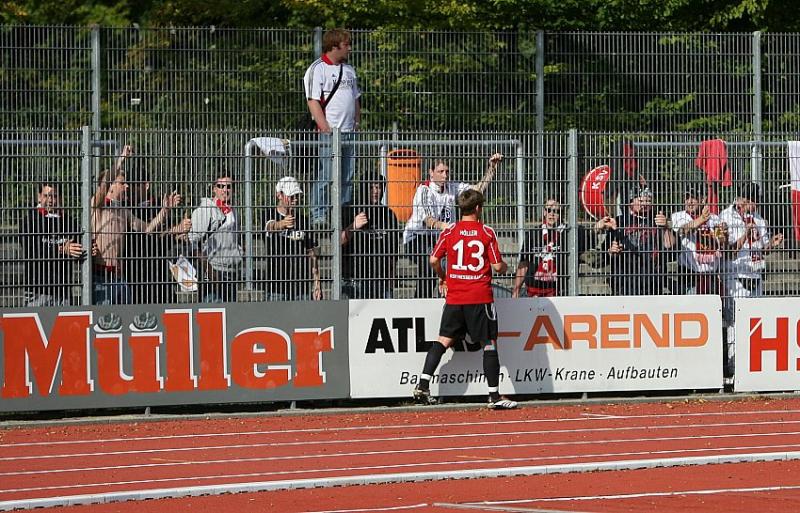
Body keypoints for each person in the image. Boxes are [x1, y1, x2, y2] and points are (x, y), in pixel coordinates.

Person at [412, 189, 517, 410]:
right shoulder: (486, 232)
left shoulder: (450, 231)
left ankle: (422, 385)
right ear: (478, 208)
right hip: (480, 297)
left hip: (455, 298)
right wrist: (505, 267)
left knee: (443, 340)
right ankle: (493, 395)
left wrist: (443, 277)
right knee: (489, 343)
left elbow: (433, 260)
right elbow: (497, 266)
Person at [403, 153, 503, 298]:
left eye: (447, 171)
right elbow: (428, 220)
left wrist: (491, 169)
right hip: (416, 238)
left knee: (455, 263)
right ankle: (423, 300)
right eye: (440, 171)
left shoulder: (451, 187)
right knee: (431, 265)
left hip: (439, 238)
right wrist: (448, 227)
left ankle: (451, 296)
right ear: (431, 172)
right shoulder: (424, 190)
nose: (445, 176)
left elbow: (477, 190)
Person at [92, 145, 181, 304]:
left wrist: (164, 210)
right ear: (110, 186)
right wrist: (121, 159)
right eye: (122, 183)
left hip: (119, 278)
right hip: (101, 278)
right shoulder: (97, 206)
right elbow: (104, 184)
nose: (127, 186)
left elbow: (147, 229)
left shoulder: (123, 211)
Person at [719, 182, 784, 378]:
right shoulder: (726, 217)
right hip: (735, 276)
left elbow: (761, 250)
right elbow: (727, 252)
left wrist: (771, 245)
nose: (755, 205)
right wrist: (745, 234)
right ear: (743, 199)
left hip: (756, 276)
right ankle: (734, 368)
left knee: (756, 322)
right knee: (735, 323)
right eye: (752, 201)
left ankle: (753, 367)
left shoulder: (759, 219)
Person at [304, 28, 361, 227]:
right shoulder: (317, 69)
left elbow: (355, 98)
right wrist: (325, 128)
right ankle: (318, 215)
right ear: (335, 46)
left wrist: (357, 122)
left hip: (349, 132)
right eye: (346, 45)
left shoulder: (349, 69)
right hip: (330, 133)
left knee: (347, 176)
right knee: (327, 175)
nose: (349, 48)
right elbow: (313, 101)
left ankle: (342, 213)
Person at [512, 198, 616, 297]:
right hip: (533, 292)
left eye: (556, 211)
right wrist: (516, 291)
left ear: (561, 214)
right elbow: (524, 263)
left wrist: (598, 226)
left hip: (560, 292)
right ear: (544, 212)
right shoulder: (533, 234)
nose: (552, 214)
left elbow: (588, 236)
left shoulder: (570, 233)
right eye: (549, 210)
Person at [126, 167, 192, 304]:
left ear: (146, 185)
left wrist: (181, 231)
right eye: (129, 184)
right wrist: (176, 229)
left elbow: (167, 235)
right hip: (133, 269)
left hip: (157, 268)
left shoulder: (158, 204)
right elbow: (147, 232)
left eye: (135, 184)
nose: (131, 189)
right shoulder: (125, 208)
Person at [21, 182, 92, 306]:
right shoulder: (29, 221)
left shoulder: (69, 222)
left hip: (63, 291)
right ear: (39, 197)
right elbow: (32, 251)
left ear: (60, 198)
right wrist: (61, 249)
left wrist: (89, 249)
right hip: (37, 290)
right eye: (46, 196)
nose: (50, 200)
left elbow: (79, 249)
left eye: (54, 196)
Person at [603, 185, 676, 296]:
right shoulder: (618, 221)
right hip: (624, 282)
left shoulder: (658, 220)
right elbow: (605, 250)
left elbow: (670, 246)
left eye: (648, 201)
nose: (645, 204)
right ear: (631, 202)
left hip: (652, 282)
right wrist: (611, 250)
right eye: (641, 200)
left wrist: (666, 227)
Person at [341, 172, 401, 299]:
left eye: (378, 187)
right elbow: (337, 243)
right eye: (371, 187)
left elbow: (393, 254)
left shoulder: (388, 215)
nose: (375, 191)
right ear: (363, 188)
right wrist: (353, 226)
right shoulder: (348, 209)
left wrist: (391, 283)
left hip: (381, 281)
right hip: (353, 280)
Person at [261, 176, 322, 301]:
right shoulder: (268, 214)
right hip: (276, 287)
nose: (295, 199)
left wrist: (317, 283)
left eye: (297, 196)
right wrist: (282, 224)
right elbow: (270, 226)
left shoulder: (304, 221)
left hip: (301, 287)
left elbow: (312, 253)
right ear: (279, 195)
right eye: (291, 196)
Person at [188, 174, 243, 303]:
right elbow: (192, 242)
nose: (225, 190)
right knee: (211, 310)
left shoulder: (234, 211)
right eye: (220, 186)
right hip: (212, 272)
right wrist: (208, 269)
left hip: (231, 272)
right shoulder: (205, 210)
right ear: (214, 189)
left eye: (229, 186)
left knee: (231, 313)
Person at [671, 185, 728, 295]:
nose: (689, 201)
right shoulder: (678, 216)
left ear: (703, 199)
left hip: (712, 276)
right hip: (690, 277)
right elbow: (682, 230)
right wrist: (701, 219)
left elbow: (721, 240)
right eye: (687, 198)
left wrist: (724, 233)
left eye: (693, 197)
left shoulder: (714, 218)